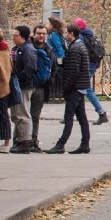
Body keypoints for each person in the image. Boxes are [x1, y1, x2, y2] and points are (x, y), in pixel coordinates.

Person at [45, 23, 92, 154]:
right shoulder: (79, 46)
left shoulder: (75, 48)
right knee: (81, 116)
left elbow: (74, 71)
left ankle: (61, 144)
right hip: (81, 86)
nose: (65, 35)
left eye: (67, 32)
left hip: (76, 87)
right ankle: (85, 143)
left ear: (71, 33)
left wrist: (66, 87)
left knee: (69, 116)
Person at [7, 25, 37, 154]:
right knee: (16, 114)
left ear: (23, 37)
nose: (13, 37)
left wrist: (18, 78)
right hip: (18, 85)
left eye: (16, 35)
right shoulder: (18, 49)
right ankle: (20, 140)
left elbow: (30, 68)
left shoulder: (28, 49)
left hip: (24, 86)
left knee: (22, 113)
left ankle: (25, 141)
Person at [74, 19, 108, 125]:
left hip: (86, 65)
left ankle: (102, 113)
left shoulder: (80, 37)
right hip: (92, 64)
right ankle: (72, 113)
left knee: (86, 89)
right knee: (80, 89)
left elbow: (80, 52)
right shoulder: (90, 35)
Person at [28, 25, 53, 151]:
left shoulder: (49, 49)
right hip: (27, 86)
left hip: (41, 87)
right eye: (39, 33)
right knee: (23, 115)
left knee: (35, 116)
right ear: (34, 34)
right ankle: (21, 140)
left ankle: (33, 141)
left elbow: (52, 68)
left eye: (43, 34)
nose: (41, 36)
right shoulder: (28, 47)